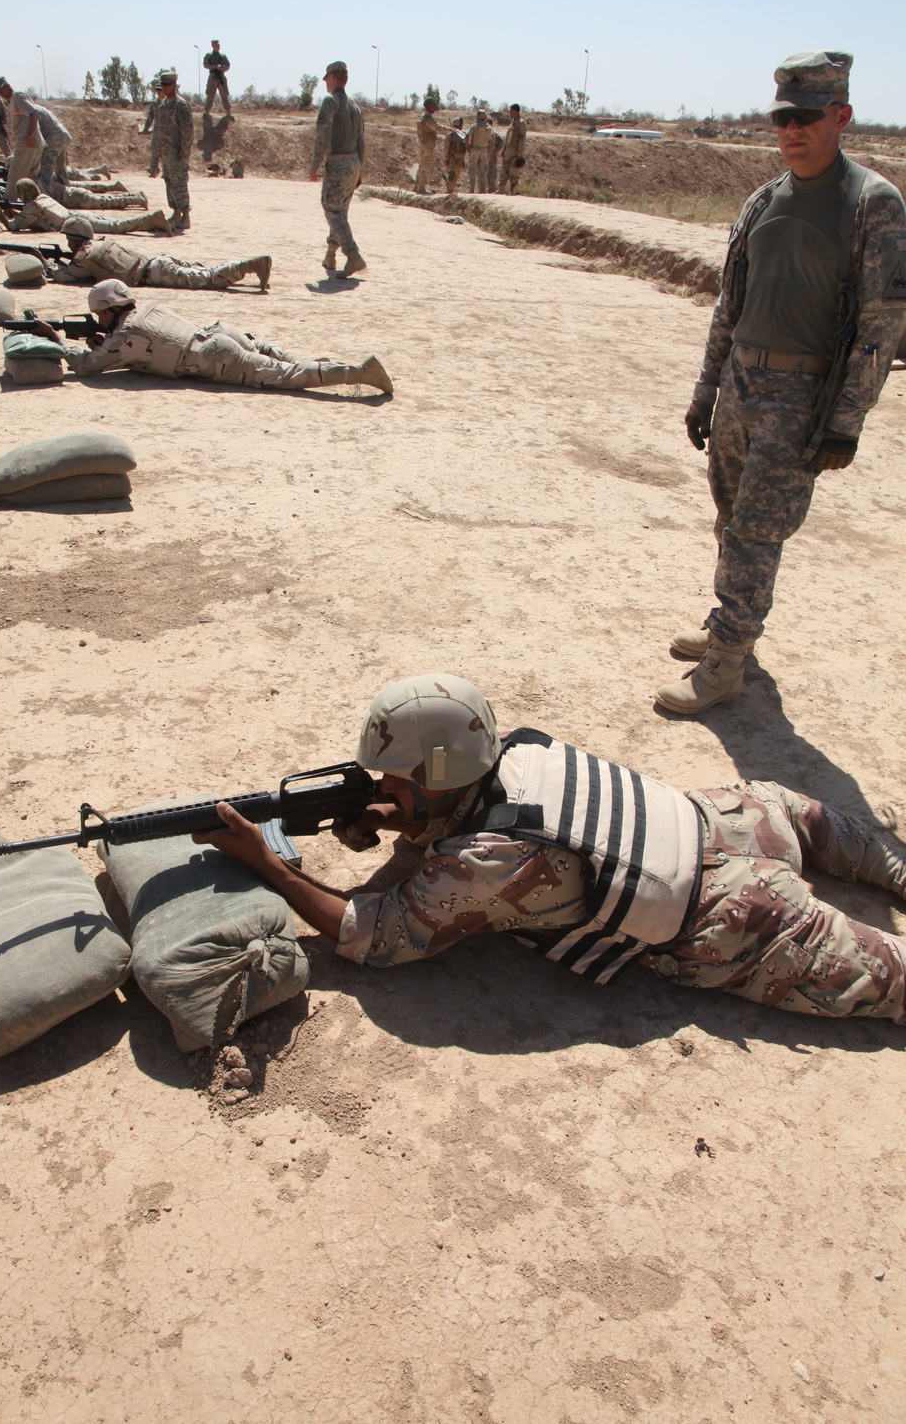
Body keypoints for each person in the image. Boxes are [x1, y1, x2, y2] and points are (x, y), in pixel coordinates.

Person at [192, 673, 906, 1026]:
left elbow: (370, 937)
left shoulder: (486, 861)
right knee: (871, 850)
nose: (386, 788)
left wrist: (271, 865)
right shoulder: (518, 747)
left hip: (741, 921)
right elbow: (477, 810)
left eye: (401, 779)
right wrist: (401, 815)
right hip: (740, 816)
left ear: (440, 776)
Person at [657, 51, 906, 716]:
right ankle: (729, 626)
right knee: (729, 519)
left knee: (756, 532)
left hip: (801, 400)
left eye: (806, 117)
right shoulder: (763, 199)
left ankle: (728, 661)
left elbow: (881, 325)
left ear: (841, 116)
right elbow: (728, 307)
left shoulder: (872, 205)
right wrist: (705, 391)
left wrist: (846, 421)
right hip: (741, 384)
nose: (791, 129)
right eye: (782, 118)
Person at [39, 278, 394, 394]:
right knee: (282, 360)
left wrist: (57, 340)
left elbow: (88, 366)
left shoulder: (124, 334)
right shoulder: (146, 309)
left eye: (99, 314)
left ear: (108, 309)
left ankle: (360, 373)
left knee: (286, 375)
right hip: (218, 334)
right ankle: (332, 365)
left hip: (214, 358)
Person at [51, 217, 271, 290]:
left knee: (209, 279)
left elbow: (66, 276)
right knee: (205, 270)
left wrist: (46, 263)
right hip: (158, 261)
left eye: (69, 239)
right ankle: (250, 265)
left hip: (155, 272)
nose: (68, 244)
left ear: (75, 238)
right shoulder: (102, 243)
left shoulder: (85, 256)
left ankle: (251, 264)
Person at [310, 60, 366, 278]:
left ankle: (353, 256)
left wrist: (315, 164)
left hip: (338, 162)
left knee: (331, 209)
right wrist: (359, 169)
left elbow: (322, 136)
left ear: (333, 77)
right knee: (340, 212)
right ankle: (330, 256)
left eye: (327, 78)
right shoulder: (355, 106)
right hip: (353, 163)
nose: (326, 83)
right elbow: (361, 140)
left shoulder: (330, 101)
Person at [0, 180, 172, 237]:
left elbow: (13, 226)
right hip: (78, 215)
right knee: (114, 224)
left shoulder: (32, 207)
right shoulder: (42, 198)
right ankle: (151, 222)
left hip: (76, 222)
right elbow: (28, 217)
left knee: (116, 227)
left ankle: (151, 219)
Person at [154, 71, 193, 233]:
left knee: (180, 184)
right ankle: (176, 213)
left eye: (167, 84)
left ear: (174, 85)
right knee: (169, 182)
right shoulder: (162, 106)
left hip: (177, 154)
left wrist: (185, 152)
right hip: (166, 153)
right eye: (162, 84)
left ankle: (185, 216)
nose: (164, 87)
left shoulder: (181, 106)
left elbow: (188, 131)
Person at [0, 77, 44, 200]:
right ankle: (36, 204)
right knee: (32, 177)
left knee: (16, 173)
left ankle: (8, 204)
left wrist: (30, 134)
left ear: (6, 86)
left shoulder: (17, 96)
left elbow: (33, 113)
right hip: (33, 142)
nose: (0, 94)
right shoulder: (15, 97)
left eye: (0, 91)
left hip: (27, 142)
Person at [31, 101, 73, 197]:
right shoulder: (39, 108)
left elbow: (35, 136)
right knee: (61, 171)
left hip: (53, 140)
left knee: (45, 175)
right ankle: (69, 194)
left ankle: (48, 200)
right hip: (63, 136)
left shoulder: (32, 111)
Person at [414, 99, 442, 194]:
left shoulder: (421, 117)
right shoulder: (428, 118)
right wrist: (451, 130)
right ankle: (421, 188)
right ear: (428, 106)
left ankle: (416, 186)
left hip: (422, 144)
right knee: (426, 166)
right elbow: (437, 128)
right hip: (428, 146)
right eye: (432, 106)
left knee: (421, 165)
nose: (434, 108)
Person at [499, 103, 527, 193]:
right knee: (504, 171)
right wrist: (504, 150)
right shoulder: (512, 123)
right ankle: (501, 190)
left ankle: (513, 192)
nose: (510, 112)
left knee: (514, 174)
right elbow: (507, 138)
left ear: (515, 111)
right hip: (508, 152)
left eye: (511, 110)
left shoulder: (521, 124)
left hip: (515, 153)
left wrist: (519, 154)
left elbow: (522, 140)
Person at [465, 109, 492, 193]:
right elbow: (491, 139)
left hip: (475, 149)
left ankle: (471, 189)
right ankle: (483, 190)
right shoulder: (488, 127)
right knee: (483, 171)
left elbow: (467, 136)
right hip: (484, 150)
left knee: (472, 169)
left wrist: (467, 146)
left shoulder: (474, 126)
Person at [141, 79, 162, 178]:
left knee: (167, 153)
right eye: (157, 90)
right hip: (157, 131)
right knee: (154, 152)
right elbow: (150, 116)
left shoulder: (169, 103)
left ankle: (166, 173)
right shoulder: (154, 103)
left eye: (160, 90)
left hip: (168, 132)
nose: (159, 92)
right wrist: (146, 128)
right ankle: (153, 171)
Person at [203, 41, 231, 116]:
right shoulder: (209, 55)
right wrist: (215, 66)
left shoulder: (223, 56)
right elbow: (205, 65)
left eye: (219, 45)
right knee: (210, 95)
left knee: (224, 94)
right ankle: (207, 111)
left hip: (221, 76)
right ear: (212, 45)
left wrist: (222, 68)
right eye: (216, 45)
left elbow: (228, 65)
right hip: (212, 76)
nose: (218, 46)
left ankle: (228, 112)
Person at [443, 117, 466, 195]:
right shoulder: (450, 136)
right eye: (460, 125)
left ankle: (451, 192)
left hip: (459, 160)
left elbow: (463, 149)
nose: (461, 127)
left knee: (456, 177)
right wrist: (446, 159)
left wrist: (463, 160)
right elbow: (446, 148)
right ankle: (449, 192)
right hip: (452, 159)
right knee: (452, 176)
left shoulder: (462, 136)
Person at [486, 123, 504, 194]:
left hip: (489, 156)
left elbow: (501, 143)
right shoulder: (493, 134)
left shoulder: (495, 134)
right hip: (487, 156)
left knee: (492, 173)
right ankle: (487, 189)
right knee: (486, 173)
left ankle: (491, 189)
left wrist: (495, 152)